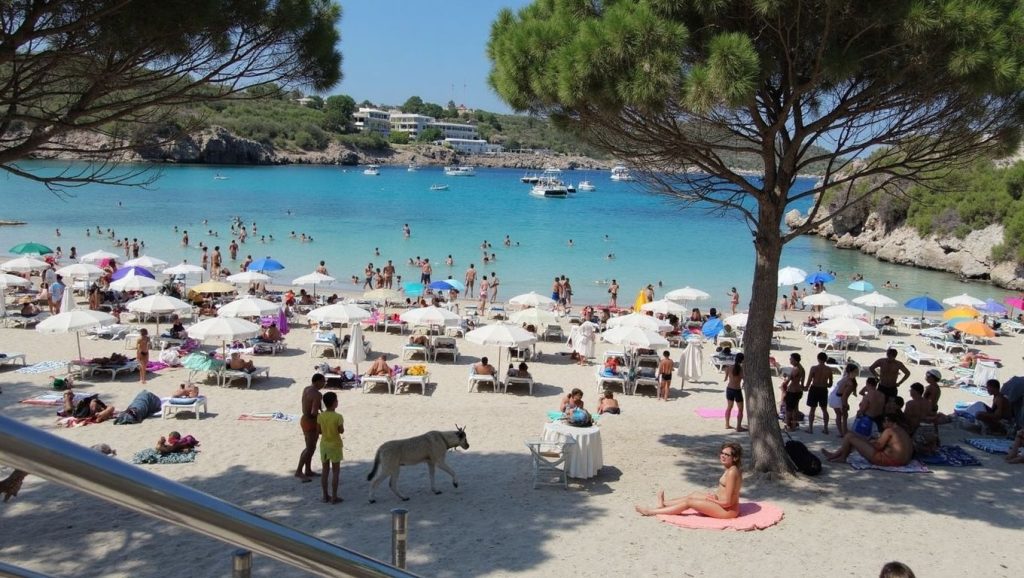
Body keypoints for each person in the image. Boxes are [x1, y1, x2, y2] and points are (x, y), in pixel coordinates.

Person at [635, 442, 742, 519]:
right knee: (693, 495)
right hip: (720, 504)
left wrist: (711, 500)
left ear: (735, 458)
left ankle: (650, 511)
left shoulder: (732, 472)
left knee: (689, 502)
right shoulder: (730, 469)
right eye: (722, 453)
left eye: (727, 455)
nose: (723, 456)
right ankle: (664, 504)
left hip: (727, 511)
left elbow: (728, 503)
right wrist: (714, 497)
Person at [823, 413, 913, 467]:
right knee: (854, 438)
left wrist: (870, 442)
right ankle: (836, 454)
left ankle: (842, 457)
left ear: (888, 421)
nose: (883, 424)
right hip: (904, 461)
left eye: (884, 422)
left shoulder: (889, 430)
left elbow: (878, 446)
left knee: (849, 436)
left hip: (888, 460)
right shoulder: (902, 431)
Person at [295, 373, 326, 482]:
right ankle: (299, 471)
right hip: (311, 422)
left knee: (310, 447)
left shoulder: (306, 389)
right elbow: (314, 412)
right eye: (323, 382)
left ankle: (308, 470)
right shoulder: (317, 394)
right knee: (310, 448)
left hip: (304, 419)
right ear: (318, 381)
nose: (324, 384)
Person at [317, 391, 344, 504]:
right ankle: (334, 496)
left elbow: (319, 431)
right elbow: (341, 431)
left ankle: (325, 496)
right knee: (336, 471)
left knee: (325, 471)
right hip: (335, 445)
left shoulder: (320, 416)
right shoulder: (338, 417)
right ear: (334, 403)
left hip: (324, 445)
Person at [804, 352, 833, 434]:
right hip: (823, 389)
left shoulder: (814, 368)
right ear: (826, 359)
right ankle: (826, 428)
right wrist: (824, 384)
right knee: (824, 409)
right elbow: (830, 384)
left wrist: (806, 387)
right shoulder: (829, 369)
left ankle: (810, 428)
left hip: (814, 389)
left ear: (818, 359)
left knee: (812, 409)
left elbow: (809, 380)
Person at [829, 363, 859, 437]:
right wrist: (845, 405)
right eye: (856, 371)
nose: (857, 373)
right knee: (844, 415)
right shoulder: (850, 383)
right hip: (838, 398)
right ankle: (844, 432)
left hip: (833, 395)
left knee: (839, 415)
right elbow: (844, 397)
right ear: (851, 372)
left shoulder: (846, 376)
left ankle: (842, 432)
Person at [780, 353, 805, 431]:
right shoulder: (802, 368)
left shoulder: (795, 369)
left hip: (792, 391)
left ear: (795, 360)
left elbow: (788, 381)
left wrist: (783, 385)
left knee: (789, 409)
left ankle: (788, 426)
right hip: (799, 391)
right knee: (795, 409)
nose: (790, 360)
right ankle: (794, 425)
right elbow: (802, 383)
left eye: (791, 359)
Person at [724, 353, 745, 431]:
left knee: (729, 407)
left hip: (729, 389)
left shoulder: (729, 367)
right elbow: (744, 379)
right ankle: (738, 427)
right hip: (737, 390)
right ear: (742, 360)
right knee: (740, 409)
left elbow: (725, 379)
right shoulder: (741, 369)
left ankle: (727, 424)